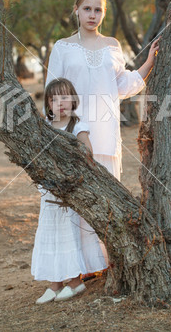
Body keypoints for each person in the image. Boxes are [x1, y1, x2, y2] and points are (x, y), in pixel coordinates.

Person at [45, 0, 159, 181]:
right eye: (87, 9)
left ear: (103, 13)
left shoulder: (112, 45)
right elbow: (51, 94)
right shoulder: (62, 47)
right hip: (70, 135)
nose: (92, 15)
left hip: (105, 133)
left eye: (98, 10)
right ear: (76, 10)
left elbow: (122, 85)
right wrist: (54, 136)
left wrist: (148, 63)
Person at [32, 78, 108, 304]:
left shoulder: (77, 126)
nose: (60, 103)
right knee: (50, 233)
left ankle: (75, 282)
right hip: (49, 190)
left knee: (68, 234)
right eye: (54, 99)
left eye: (65, 97)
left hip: (69, 189)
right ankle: (54, 285)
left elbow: (86, 154)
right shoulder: (44, 126)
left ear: (73, 100)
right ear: (48, 103)